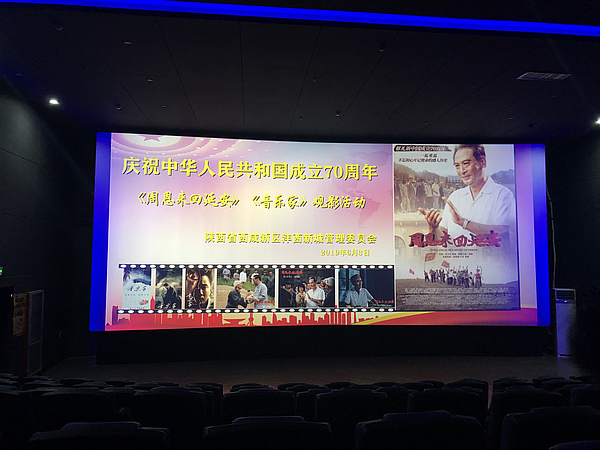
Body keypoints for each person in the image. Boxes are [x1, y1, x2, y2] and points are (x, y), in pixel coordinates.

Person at [419, 144, 516, 240]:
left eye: (466, 163)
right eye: (457, 166)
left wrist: (463, 223)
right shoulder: (455, 197)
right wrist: (434, 228)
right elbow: (443, 236)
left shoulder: (502, 195)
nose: (462, 171)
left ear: (482, 162)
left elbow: (503, 233)